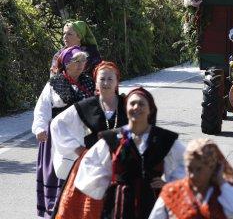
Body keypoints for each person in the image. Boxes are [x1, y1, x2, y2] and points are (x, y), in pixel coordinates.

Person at [75, 87, 186, 218]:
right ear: (125, 108)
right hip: (119, 203)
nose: (136, 107)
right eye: (132, 103)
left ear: (150, 109)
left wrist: (170, 185)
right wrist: (106, 186)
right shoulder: (113, 138)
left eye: (141, 104)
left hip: (153, 203)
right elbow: (90, 164)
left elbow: (187, 165)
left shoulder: (163, 139)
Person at [51, 61, 128, 219]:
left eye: (110, 79)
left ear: (117, 81)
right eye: (102, 79)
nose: (106, 83)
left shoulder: (127, 105)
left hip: (123, 166)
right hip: (91, 166)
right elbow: (57, 125)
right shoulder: (87, 106)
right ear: (96, 82)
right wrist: (77, 149)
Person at [32, 46, 96, 218]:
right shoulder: (55, 83)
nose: (81, 64)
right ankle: (54, 210)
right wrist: (39, 128)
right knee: (58, 173)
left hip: (82, 136)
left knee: (79, 174)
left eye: (83, 61)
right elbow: (42, 109)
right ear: (66, 63)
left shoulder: (89, 82)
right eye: (77, 61)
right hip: (56, 138)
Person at [149, 138, 233, 218]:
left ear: (212, 167)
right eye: (189, 169)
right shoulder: (171, 191)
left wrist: (220, 180)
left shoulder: (222, 194)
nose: (192, 175)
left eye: (199, 169)